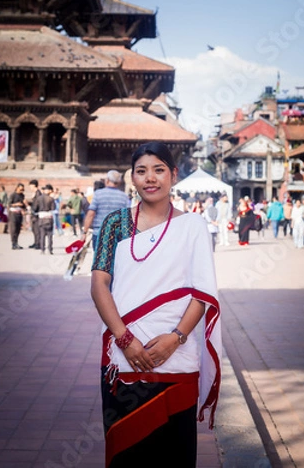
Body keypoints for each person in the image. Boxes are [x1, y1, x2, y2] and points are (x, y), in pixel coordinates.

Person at [91, 142, 221, 468]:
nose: (151, 178)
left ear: (173, 175)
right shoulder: (115, 224)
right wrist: (125, 340)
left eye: (159, 169)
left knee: (174, 453)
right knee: (128, 453)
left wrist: (175, 338)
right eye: (141, 171)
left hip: (178, 356)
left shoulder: (192, 227)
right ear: (132, 178)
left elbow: (202, 293)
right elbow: (99, 285)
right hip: (124, 357)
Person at [83, 170, 130, 251]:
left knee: (99, 260)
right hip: (116, 234)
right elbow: (128, 217)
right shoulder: (124, 197)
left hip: (99, 233)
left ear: (107, 180)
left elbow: (91, 214)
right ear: (119, 182)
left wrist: (84, 232)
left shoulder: (98, 194)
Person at [35, 184, 56, 254]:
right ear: (50, 190)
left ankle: (42, 249)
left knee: (42, 235)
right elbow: (53, 208)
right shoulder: (51, 199)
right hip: (49, 218)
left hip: (41, 218)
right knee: (50, 235)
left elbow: (35, 208)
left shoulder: (39, 198)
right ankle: (50, 249)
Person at [8, 183, 26, 249]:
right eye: (20, 189)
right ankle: (13, 243)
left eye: (22, 189)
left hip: (19, 213)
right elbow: (9, 204)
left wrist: (24, 205)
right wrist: (16, 204)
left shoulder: (22, 195)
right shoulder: (13, 195)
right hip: (13, 213)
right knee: (13, 229)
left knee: (18, 229)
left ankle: (16, 243)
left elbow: (23, 205)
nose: (21, 191)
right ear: (17, 188)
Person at [29, 179, 42, 249]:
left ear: (34, 186)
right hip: (34, 214)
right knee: (34, 229)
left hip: (37, 214)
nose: (30, 188)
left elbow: (37, 204)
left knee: (37, 230)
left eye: (30, 186)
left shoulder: (38, 193)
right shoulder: (35, 193)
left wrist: (33, 208)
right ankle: (35, 242)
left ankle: (38, 243)